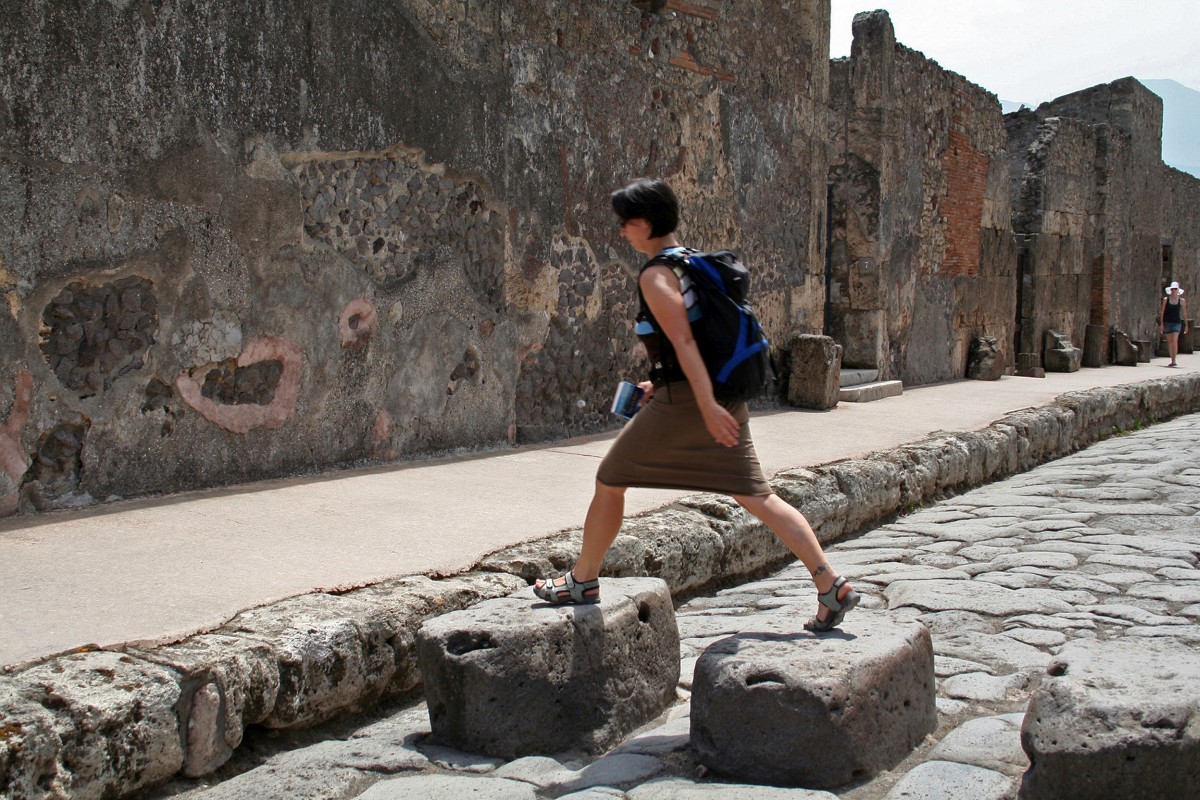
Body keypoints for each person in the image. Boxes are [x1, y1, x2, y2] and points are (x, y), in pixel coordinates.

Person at [533, 178, 859, 633]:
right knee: (758, 496)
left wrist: (703, 404)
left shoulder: (655, 275)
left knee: (609, 478)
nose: (621, 230)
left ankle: (583, 581)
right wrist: (662, 381)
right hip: (716, 396)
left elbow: (685, 341)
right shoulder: (690, 264)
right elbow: (696, 341)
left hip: (691, 402)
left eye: (626, 221)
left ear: (646, 222)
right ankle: (830, 584)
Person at [1160, 281, 1189, 367]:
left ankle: (1174, 360)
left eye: (1175, 289)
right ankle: (1171, 359)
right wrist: (1161, 324)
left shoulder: (1181, 301)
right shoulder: (1166, 300)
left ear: (1178, 290)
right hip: (1167, 322)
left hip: (1177, 323)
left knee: (1175, 340)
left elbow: (1184, 313)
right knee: (1170, 342)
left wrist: (1186, 325)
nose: (1173, 290)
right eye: (1172, 289)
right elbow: (1162, 312)